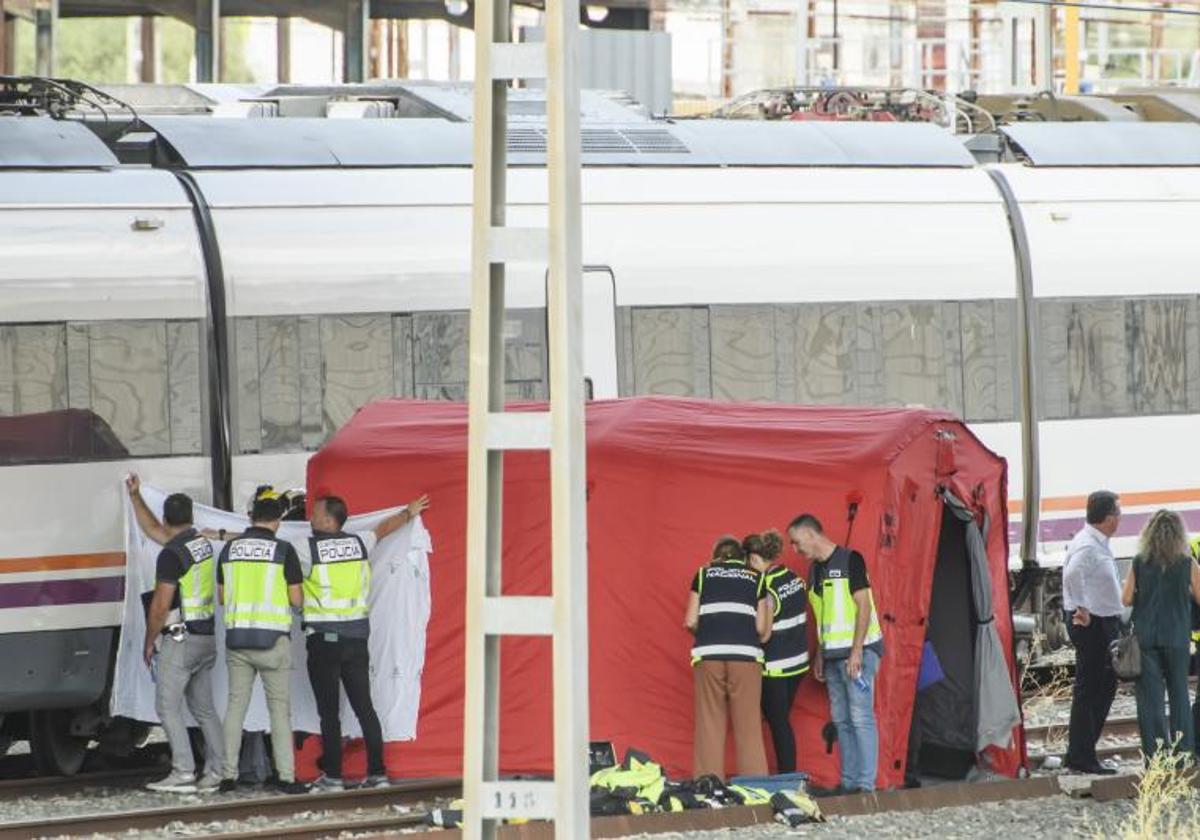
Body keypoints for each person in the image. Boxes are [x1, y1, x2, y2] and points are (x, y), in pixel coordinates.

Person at [301, 492, 430, 790]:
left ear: (329, 520)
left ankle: (333, 777)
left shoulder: (307, 549)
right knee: (365, 708)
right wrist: (409, 513)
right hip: (357, 640)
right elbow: (383, 529)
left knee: (329, 713)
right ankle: (378, 773)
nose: (311, 518)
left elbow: (274, 545)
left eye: (316, 513)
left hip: (324, 641)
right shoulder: (359, 543)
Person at [126, 475, 225, 793]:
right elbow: (152, 530)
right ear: (191, 519)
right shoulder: (200, 544)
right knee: (204, 709)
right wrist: (136, 496)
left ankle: (183, 773)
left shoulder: (171, 554)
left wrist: (149, 640)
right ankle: (218, 771)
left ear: (168, 519)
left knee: (167, 707)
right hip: (206, 637)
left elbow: (160, 605)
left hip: (181, 640)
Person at [217, 495, 307, 794]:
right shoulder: (283, 550)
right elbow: (296, 600)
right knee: (279, 711)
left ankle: (227, 776)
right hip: (273, 642)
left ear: (251, 519)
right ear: (277, 522)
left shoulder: (230, 549)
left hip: (238, 641)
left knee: (234, 708)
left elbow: (221, 596)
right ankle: (286, 777)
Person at [788, 513, 884, 794]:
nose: (795, 549)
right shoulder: (815, 571)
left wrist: (856, 652)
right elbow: (823, 616)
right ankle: (849, 782)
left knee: (861, 717)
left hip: (859, 653)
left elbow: (864, 607)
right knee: (842, 719)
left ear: (810, 534)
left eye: (796, 542)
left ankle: (865, 785)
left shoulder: (850, 560)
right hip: (831, 656)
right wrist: (819, 654)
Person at [684, 535, 770, 779]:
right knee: (748, 725)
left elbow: (690, 620)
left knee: (709, 722)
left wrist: (709, 632)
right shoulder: (756, 578)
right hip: (746, 656)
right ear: (742, 558)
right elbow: (761, 629)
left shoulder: (702, 575)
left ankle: (708, 786)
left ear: (716, 557)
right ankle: (755, 788)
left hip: (708, 654)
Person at [1122, 509, 1200, 761]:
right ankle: (1183, 753)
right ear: (1179, 535)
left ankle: (1156, 756)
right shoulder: (1188, 564)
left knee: (1150, 700)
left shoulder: (1138, 561)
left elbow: (1125, 598)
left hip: (1145, 639)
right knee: (1179, 693)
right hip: (1177, 638)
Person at [1061, 490, 1122, 775]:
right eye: (1118, 513)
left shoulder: (1095, 541)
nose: (1120, 518)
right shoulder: (1088, 545)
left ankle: (1081, 751)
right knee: (1093, 688)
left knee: (1103, 686)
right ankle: (1082, 756)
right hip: (1094, 623)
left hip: (1101, 621)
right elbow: (1073, 574)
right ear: (1108, 517)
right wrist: (1083, 608)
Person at [743, 530, 808, 774]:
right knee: (781, 720)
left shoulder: (767, 586)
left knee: (778, 723)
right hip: (799, 663)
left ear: (755, 559)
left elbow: (764, 633)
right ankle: (787, 774)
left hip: (777, 667)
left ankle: (788, 776)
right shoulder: (792, 576)